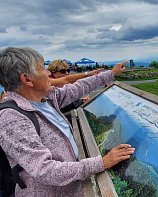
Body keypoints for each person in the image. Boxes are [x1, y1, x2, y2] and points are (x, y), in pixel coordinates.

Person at [0, 47, 134, 196]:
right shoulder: (12, 119)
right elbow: (44, 170)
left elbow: (79, 87)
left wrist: (111, 73)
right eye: (42, 68)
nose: (47, 73)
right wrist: (101, 163)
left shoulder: (47, 98)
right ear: (27, 79)